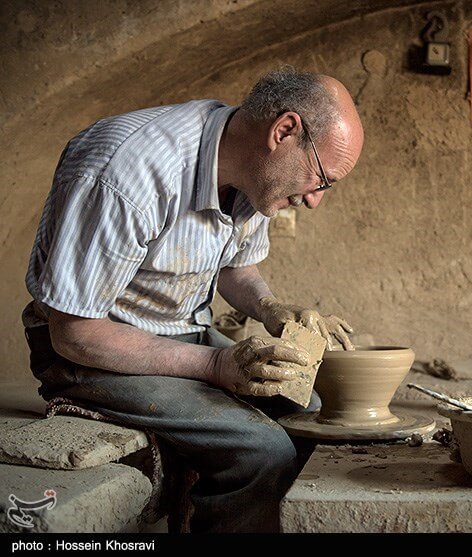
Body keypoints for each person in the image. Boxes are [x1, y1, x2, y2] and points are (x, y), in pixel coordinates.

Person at [22, 67, 364, 532]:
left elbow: (234, 268)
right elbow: (75, 333)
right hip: (90, 353)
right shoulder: (128, 172)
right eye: (321, 180)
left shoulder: (249, 169)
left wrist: (270, 309)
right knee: (262, 450)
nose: (314, 201)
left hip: (184, 332)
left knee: (310, 411)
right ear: (284, 131)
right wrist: (214, 367)